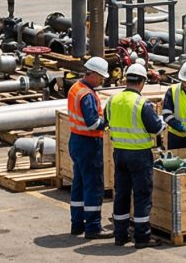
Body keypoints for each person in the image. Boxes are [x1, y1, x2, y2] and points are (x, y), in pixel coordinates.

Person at [108, 61, 165, 248]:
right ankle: (142, 237)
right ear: (142, 82)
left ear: (126, 80)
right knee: (141, 195)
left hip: (119, 154)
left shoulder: (112, 100)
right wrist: (162, 121)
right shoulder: (142, 104)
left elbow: (107, 121)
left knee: (122, 194)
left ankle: (120, 234)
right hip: (139, 155)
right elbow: (156, 128)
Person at [66, 56, 110, 239]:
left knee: (79, 184)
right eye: (101, 77)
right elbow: (92, 123)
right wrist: (107, 122)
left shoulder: (76, 88)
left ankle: (77, 224)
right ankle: (93, 227)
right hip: (89, 143)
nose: (102, 81)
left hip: (76, 140)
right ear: (92, 74)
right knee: (93, 185)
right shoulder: (87, 95)